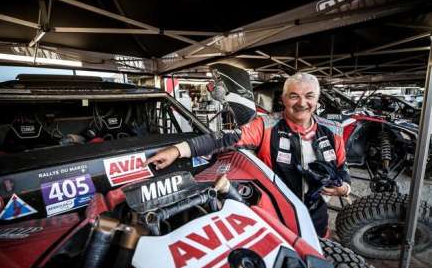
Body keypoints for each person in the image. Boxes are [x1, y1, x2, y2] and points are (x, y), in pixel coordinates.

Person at [146, 72, 351, 237]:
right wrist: (177, 150)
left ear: (317, 99)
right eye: (294, 96)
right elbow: (222, 138)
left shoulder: (334, 130)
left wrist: (345, 187)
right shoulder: (266, 125)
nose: (302, 103)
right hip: (276, 214)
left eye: (309, 96)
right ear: (283, 98)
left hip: (317, 215)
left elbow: (343, 168)